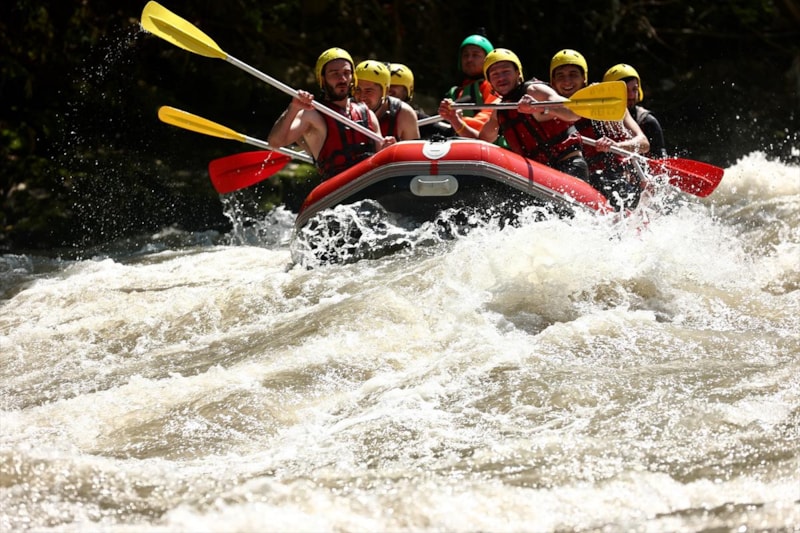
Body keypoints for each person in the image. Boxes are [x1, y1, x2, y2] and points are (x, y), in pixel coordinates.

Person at [438, 48, 589, 183]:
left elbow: (573, 112)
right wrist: (455, 120)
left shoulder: (534, 90)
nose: (501, 77)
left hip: (568, 166)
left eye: (506, 71)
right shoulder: (500, 110)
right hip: (538, 176)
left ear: (518, 73)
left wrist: (541, 107)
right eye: (495, 74)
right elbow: (481, 140)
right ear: (490, 81)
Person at [268, 47, 393, 180]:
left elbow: (380, 156)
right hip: (339, 186)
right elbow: (275, 143)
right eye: (335, 74)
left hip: (369, 181)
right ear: (322, 78)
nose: (342, 79)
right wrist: (293, 108)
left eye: (346, 73)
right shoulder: (311, 115)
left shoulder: (367, 114)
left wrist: (388, 148)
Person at [550, 49, 649, 209]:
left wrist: (616, 146)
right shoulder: (548, 110)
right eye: (560, 76)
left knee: (603, 181)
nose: (567, 81)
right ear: (553, 82)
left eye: (573, 74)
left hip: (614, 179)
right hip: (574, 180)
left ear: (584, 79)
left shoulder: (605, 102)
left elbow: (643, 144)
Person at [603, 63, 667, 158]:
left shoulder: (648, 122)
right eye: (625, 90)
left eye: (634, 89)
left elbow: (661, 160)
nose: (631, 95)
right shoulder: (596, 118)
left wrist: (617, 146)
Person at [443, 32, 500, 134]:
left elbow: (488, 117)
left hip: (478, 137)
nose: (469, 59)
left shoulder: (492, 86)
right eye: (465, 55)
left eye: (475, 55)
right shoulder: (455, 92)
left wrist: (457, 121)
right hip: (454, 134)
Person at [354, 60, 420, 141]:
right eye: (357, 89)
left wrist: (395, 148)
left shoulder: (404, 114)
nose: (362, 96)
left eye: (369, 91)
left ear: (385, 92)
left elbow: (413, 148)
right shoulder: (345, 111)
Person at [388, 62, 448, 138]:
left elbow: (449, 132)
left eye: (393, 86)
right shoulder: (374, 118)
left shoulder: (420, 120)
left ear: (408, 91)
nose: (388, 91)